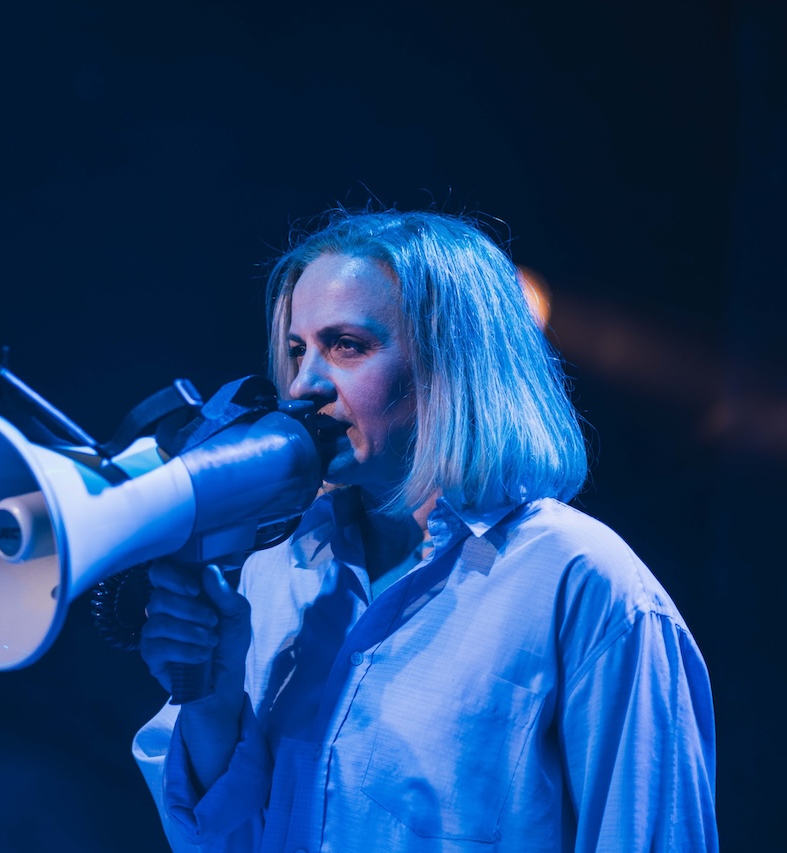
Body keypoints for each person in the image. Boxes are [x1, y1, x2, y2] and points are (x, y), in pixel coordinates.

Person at [132, 209, 718, 852]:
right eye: (298, 350)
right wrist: (214, 706)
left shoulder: (581, 580)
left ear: (451, 364)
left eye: (347, 345)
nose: (302, 385)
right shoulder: (275, 570)